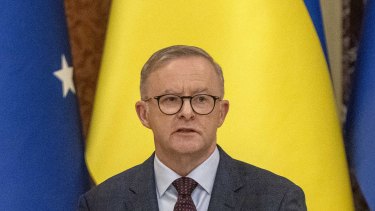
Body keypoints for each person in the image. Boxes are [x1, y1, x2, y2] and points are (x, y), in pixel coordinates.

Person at [78, 45, 307, 211]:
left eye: (201, 99)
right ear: (143, 113)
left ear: (221, 112)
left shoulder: (276, 200)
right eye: (170, 99)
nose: (186, 112)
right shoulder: (101, 203)